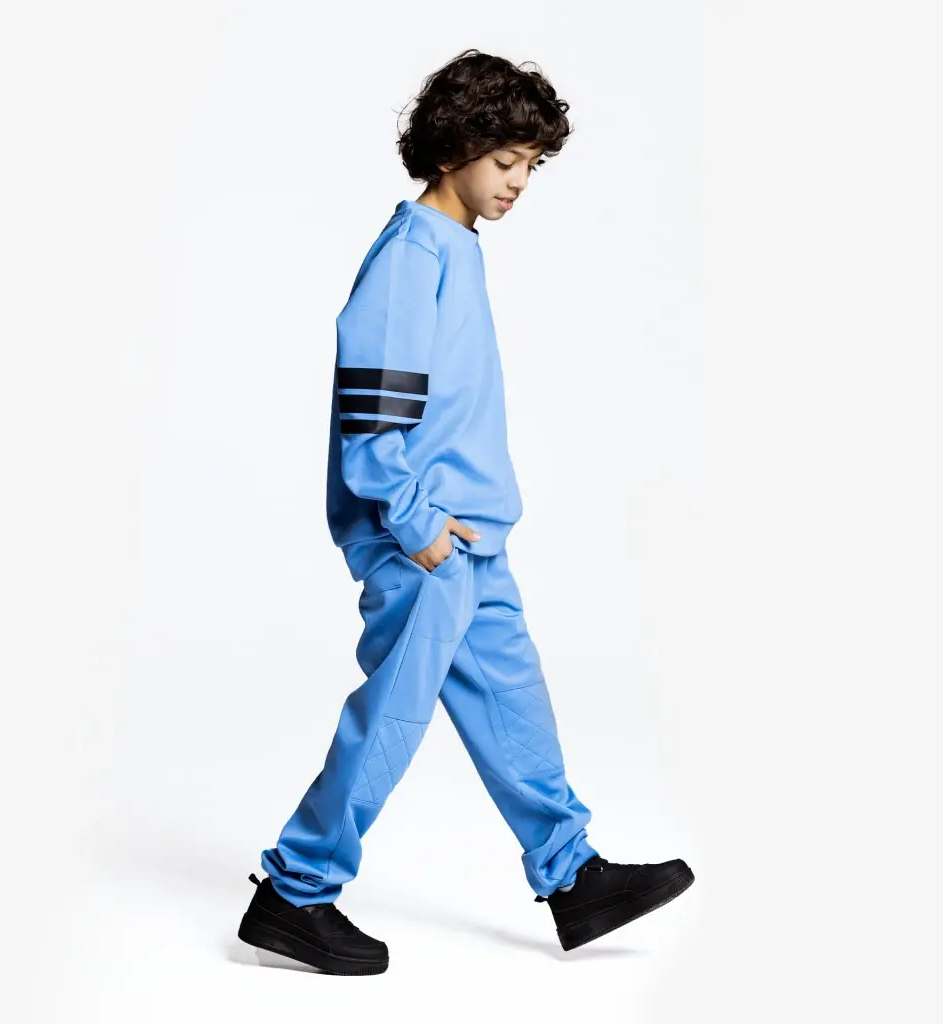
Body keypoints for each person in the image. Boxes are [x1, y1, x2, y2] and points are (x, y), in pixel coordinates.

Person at [237, 48, 694, 976]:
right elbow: (373, 423)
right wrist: (416, 528)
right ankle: (297, 891)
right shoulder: (411, 257)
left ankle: (572, 874)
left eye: (532, 165)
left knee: (514, 704)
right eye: (506, 161)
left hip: (471, 535)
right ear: (453, 149)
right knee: (391, 720)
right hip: (424, 542)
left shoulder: (456, 246)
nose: (519, 182)